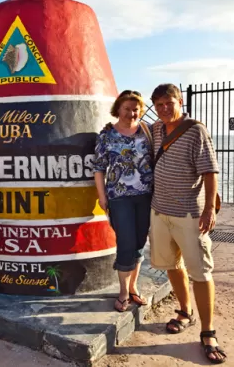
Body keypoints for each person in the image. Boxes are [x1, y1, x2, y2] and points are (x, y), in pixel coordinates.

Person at [149, 83, 227, 364]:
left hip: (190, 215)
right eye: (158, 105)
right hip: (160, 211)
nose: (164, 109)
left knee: (201, 272)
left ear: (180, 102)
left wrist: (209, 209)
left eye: (168, 103)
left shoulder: (195, 130)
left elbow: (210, 171)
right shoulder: (156, 129)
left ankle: (208, 331)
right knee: (172, 264)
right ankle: (185, 311)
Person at [94, 90, 154, 312]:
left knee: (139, 242)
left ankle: (133, 287)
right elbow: (99, 168)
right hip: (119, 197)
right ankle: (122, 292)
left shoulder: (147, 131)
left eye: (136, 109)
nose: (132, 113)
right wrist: (102, 197)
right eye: (127, 108)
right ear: (118, 109)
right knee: (126, 242)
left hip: (146, 196)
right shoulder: (106, 135)